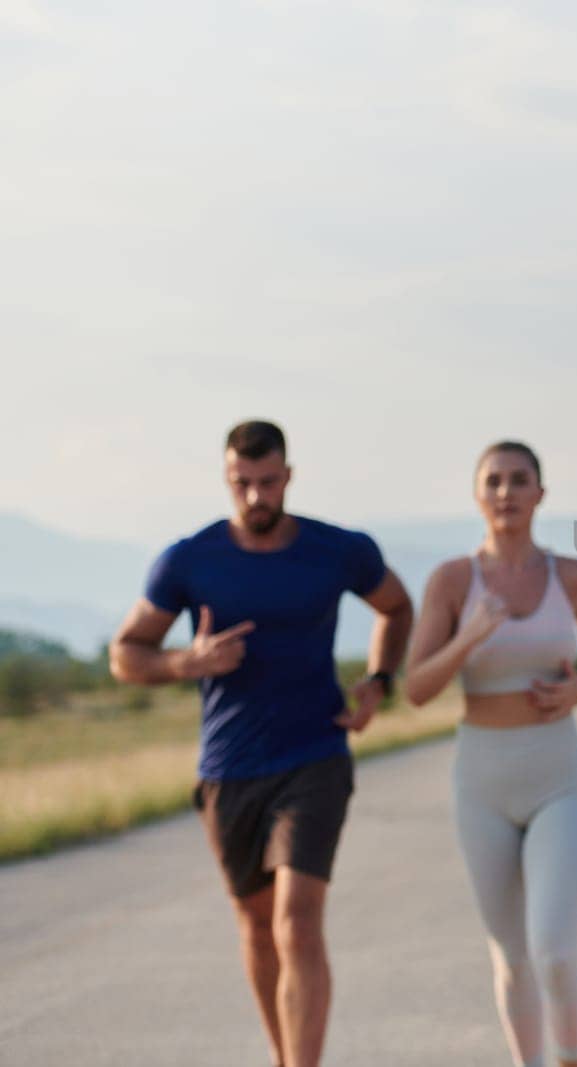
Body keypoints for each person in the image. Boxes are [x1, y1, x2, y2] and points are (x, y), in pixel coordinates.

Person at [110, 419, 413, 1067]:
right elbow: (126, 653)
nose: (255, 495)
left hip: (316, 755)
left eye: (267, 481)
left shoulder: (339, 549)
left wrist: (378, 682)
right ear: (227, 479)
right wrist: (183, 662)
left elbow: (396, 606)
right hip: (229, 767)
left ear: (289, 476)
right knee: (255, 924)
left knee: (296, 918)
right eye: (241, 483)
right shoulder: (188, 559)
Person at [403, 441, 577, 1067]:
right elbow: (417, 689)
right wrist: (470, 635)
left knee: (554, 949)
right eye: (494, 481)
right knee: (510, 953)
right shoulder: (451, 581)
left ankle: (573, 1059)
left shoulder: (572, 577)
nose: (506, 492)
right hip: (482, 780)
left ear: (539, 494)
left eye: (518, 480)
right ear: (478, 496)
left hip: (560, 776)